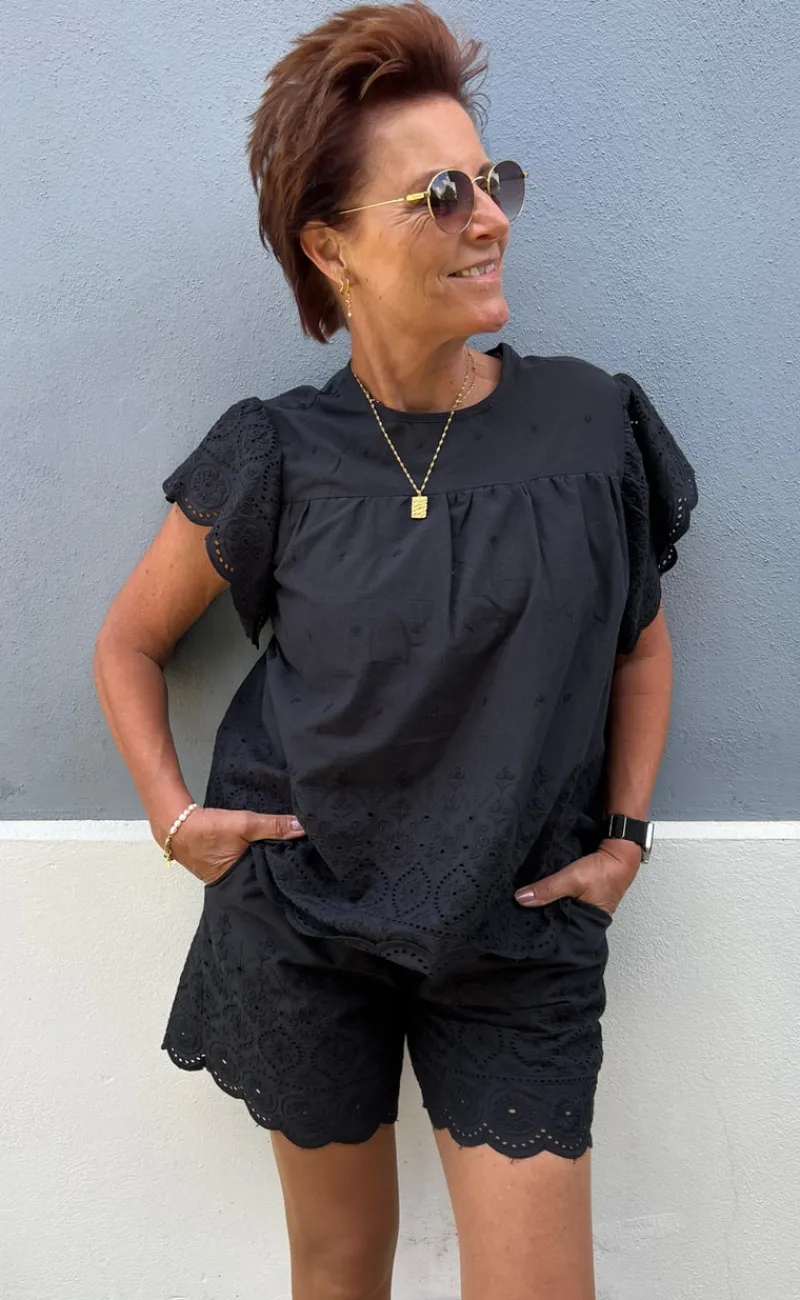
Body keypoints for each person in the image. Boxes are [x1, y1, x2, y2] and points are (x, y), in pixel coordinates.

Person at [93, 2, 699, 1297]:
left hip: (518, 935)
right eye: (440, 195)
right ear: (331, 248)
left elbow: (640, 648)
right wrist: (174, 817)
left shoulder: (590, 426)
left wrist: (624, 840)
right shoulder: (276, 453)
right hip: (303, 929)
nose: (490, 219)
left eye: (491, 181)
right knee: (340, 1272)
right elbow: (130, 644)